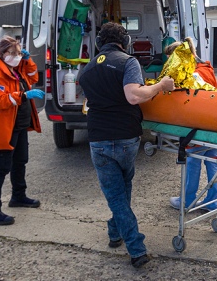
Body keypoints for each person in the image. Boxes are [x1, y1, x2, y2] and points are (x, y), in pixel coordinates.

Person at [78, 23, 175, 269]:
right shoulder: (128, 62)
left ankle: (114, 231)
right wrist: (162, 86)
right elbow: (133, 95)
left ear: (100, 42)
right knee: (120, 194)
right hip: (125, 137)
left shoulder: (87, 69)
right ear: (126, 41)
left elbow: (89, 102)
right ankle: (137, 249)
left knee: (117, 193)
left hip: (99, 139)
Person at [0, 36, 45, 226]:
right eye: (12, 53)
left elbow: (33, 76)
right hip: (4, 129)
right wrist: (23, 95)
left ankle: (18, 196)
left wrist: (27, 59)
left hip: (18, 126)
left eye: (18, 53)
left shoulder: (14, 71)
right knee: (0, 169)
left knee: (20, 162)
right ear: (2, 54)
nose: (16, 56)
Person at [165, 38, 217, 212]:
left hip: (197, 126)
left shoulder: (188, 74)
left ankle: (187, 200)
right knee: (213, 162)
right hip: (216, 123)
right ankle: (213, 203)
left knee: (193, 163)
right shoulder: (206, 68)